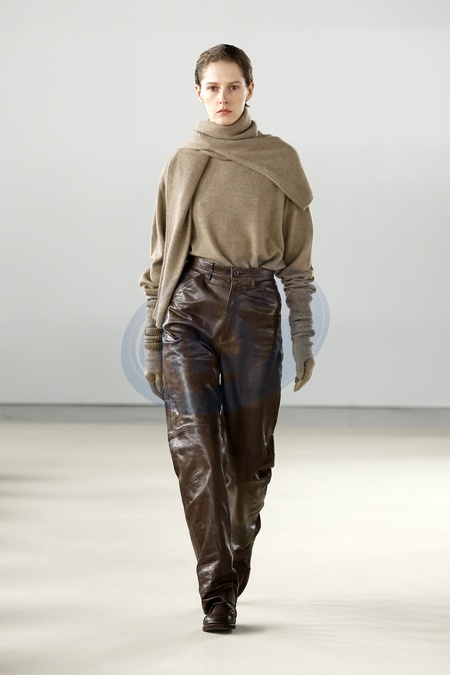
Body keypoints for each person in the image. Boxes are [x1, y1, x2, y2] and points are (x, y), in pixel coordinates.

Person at [139, 44, 316, 632]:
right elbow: (161, 257)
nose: (223, 97)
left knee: (249, 461)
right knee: (195, 449)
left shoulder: (280, 161)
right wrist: (152, 336)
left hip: (256, 311)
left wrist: (302, 334)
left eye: (233, 86)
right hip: (188, 307)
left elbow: (297, 262)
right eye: (212, 87)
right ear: (198, 93)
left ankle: (236, 554)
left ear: (250, 89)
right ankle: (217, 590)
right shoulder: (183, 162)